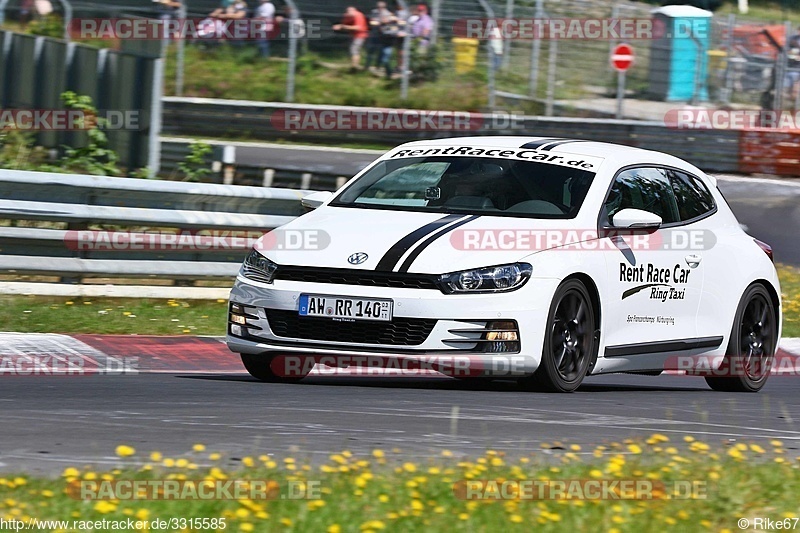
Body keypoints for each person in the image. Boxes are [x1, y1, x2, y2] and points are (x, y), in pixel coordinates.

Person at [364, 1, 392, 71]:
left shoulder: (387, 13)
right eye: (378, 7)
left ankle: (378, 66)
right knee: (370, 50)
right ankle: (367, 66)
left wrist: (380, 22)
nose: (379, 8)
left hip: (382, 35)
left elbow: (387, 22)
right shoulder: (374, 12)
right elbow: (371, 21)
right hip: (374, 34)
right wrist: (374, 22)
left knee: (381, 52)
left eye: (381, 7)